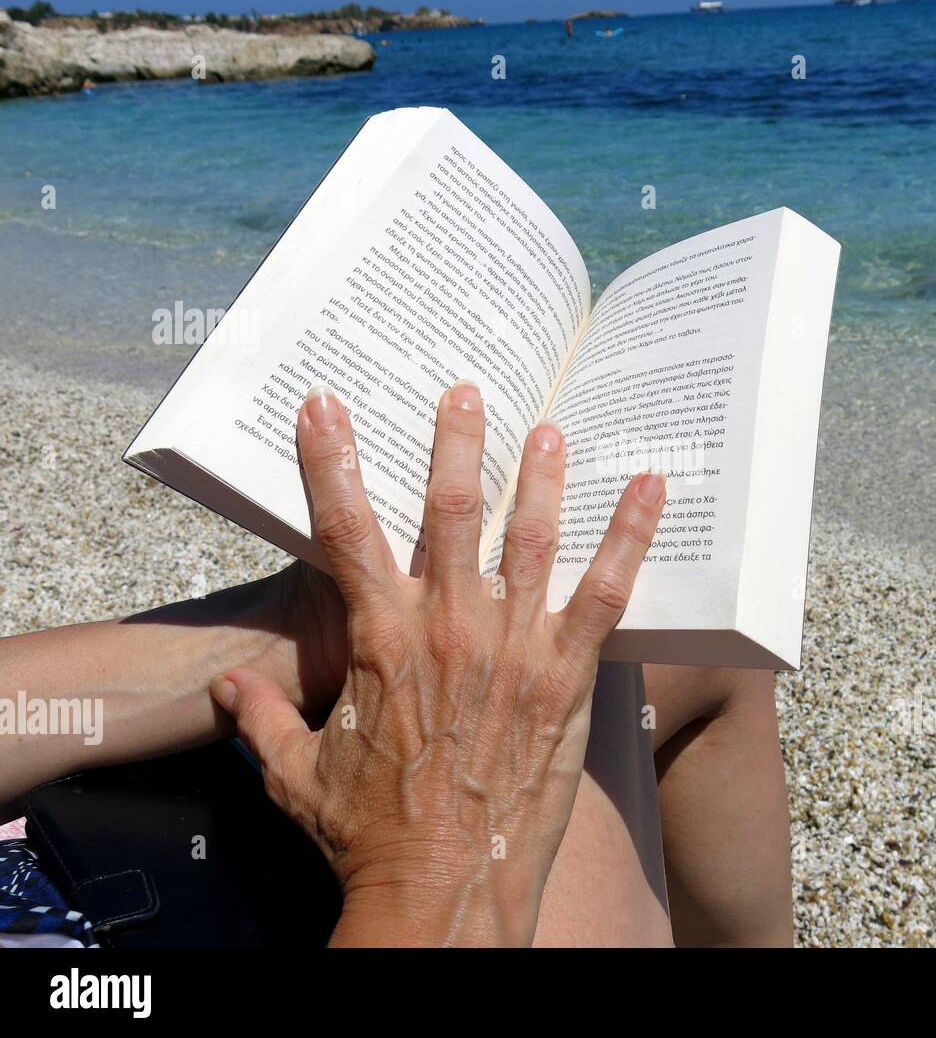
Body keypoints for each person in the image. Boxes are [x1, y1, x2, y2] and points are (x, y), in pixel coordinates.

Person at [0, 382, 793, 946]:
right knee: (586, 645)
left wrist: (284, 633)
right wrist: (431, 866)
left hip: (87, 844)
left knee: (682, 655)